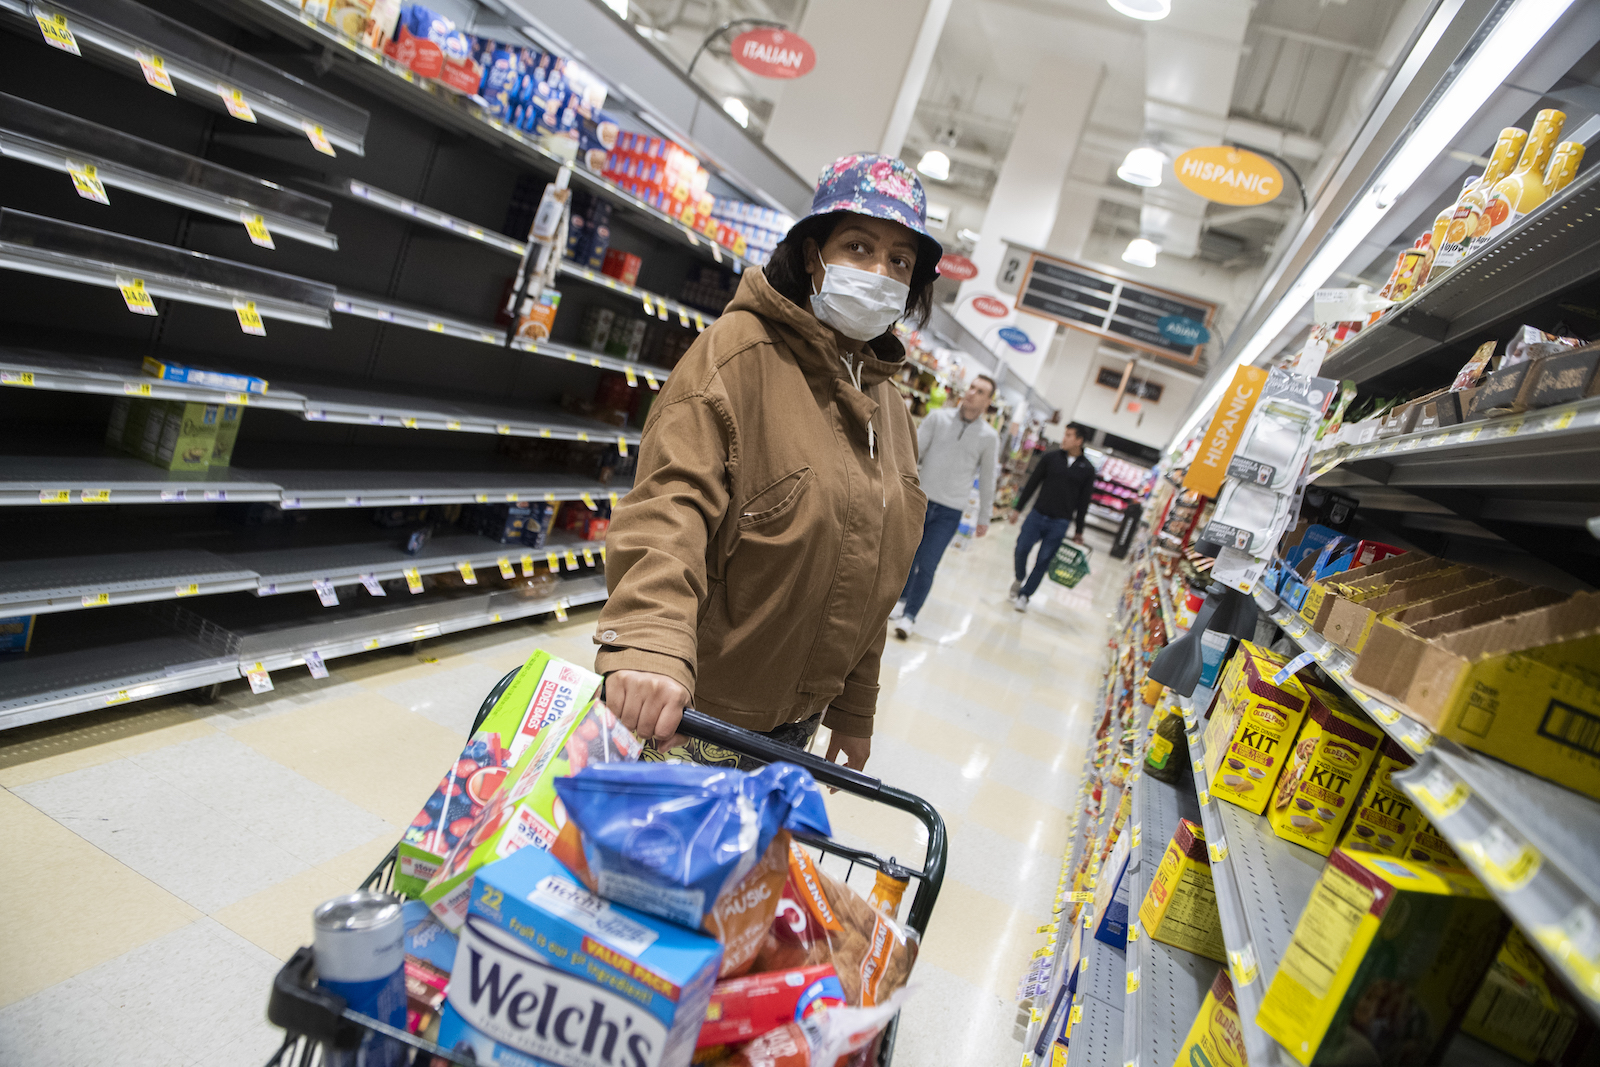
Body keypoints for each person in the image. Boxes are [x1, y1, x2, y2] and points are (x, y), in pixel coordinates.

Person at [592, 154, 943, 776]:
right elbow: (670, 507)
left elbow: (873, 566)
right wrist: (648, 638)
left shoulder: (889, 408)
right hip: (690, 708)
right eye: (858, 247)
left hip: (792, 726)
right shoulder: (736, 356)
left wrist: (854, 708)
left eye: (899, 261)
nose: (879, 273)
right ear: (813, 254)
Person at [890, 375, 999, 639]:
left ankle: (909, 617)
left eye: (980, 391)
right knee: (908, 555)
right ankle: (900, 598)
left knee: (928, 563)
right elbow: (912, 454)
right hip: (921, 500)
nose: (972, 393)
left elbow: (987, 479)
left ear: (987, 401)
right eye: (971, 387)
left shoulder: (989, 437)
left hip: (951, 510)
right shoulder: (938, 418)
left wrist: (984, 517)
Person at [1008, 423, 1095, 612]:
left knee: (1043, 560)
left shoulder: (1087, 469)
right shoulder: (1051, 458)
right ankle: (1019, 576)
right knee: (1021, 548)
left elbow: (1083, 503)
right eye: (1065, 434)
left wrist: (1079, 530)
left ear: (1079, 440)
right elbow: (1032, 484)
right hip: (1037, 514)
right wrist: (1018, 508)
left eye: (1069, 435)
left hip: (1060, 522)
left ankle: (1025, 594)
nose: (1064, 438)